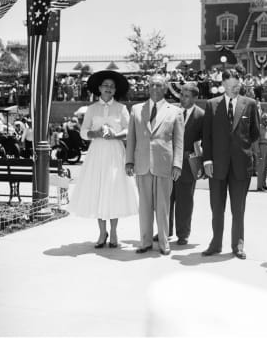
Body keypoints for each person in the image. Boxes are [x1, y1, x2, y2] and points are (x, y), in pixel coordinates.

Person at [68, 70, 138, 248]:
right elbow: (83, 132)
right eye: (105, 86)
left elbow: (129, 130)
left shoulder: (121, 109)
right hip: (97, 153)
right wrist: (96, 133)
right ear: (99, 88)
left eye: (112, 87)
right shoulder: (91, 109)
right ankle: (101, 232)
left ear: (115, 90)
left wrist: (116, 135)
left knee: (113, 190)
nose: (108, 89)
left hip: (115, 152)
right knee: (98, 189)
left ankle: (113, 232)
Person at [202, 65, 260, 260]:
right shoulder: (211, 105)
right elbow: (206, 136)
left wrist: (244, 152)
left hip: (241, 166)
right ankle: (215, 244)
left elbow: (254, 133)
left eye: (238, 85)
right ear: (223, 85)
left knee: (238, 209)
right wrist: (207, 160)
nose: (235, 88)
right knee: (217, 209)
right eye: (231, 85)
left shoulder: (250, 104)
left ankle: (238, 246)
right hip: (216, 165)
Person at [126, 75, 184, 256]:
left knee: (163, 207)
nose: (155, 87)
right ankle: (145, 242)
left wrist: (177, 165)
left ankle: (164, 243)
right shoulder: (136, 110)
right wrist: (129, 161)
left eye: (159, 84)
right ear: (148, 87)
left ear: (165, 88)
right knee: (144, 207)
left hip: (164, 165)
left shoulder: (175, 111)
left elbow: (179, 141)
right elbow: (131, 137)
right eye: (152, 84)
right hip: (142, 165)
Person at [164, 83, 205, 245]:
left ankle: (183, 234)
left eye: (187, 96)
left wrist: (201, 162)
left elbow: (206, 141)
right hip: (168, 161)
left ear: (195, 98)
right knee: (166, 198)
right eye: (181, 94)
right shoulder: (171, 111)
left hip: (188, 164)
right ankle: (165, 230)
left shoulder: (201, 115)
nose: (183, 98)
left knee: (184, 201)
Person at [254, 113, 267, 191]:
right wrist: (258, 151)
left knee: (266, 168)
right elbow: (256, 141)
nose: (266, 120)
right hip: (261, 147)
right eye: (264, 118)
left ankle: (264, 184)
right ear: (261, 120)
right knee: (261, 168)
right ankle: (259, 186)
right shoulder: (259, 128)